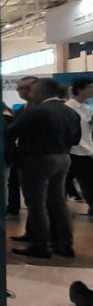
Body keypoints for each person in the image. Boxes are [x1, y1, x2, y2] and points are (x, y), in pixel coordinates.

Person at [7, 78, 81, 259]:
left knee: (36, 205)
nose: (30, 93)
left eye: (32, 90)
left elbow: (10, 132)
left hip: (37, 159)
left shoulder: (36, 111)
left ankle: (41, 246)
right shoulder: (71, 112)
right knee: (58, 203)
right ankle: (64, 245)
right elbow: (76, 140)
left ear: (41, 91)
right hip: (63, 157)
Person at [7, 76, 38, 216]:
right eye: (19, 88)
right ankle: (13, 208)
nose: (21, 92)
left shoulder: (43, 109)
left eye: (26, 88)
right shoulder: (21, 109)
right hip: (21, 152)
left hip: (39, 156)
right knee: (14, 182)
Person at [65, 78, 93, 215]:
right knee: (65, 182)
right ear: (80, 90)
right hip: (73, 151)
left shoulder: (86, 108)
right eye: (90, 87)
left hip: (86, 150)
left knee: (88, 181)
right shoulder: (68, 108)